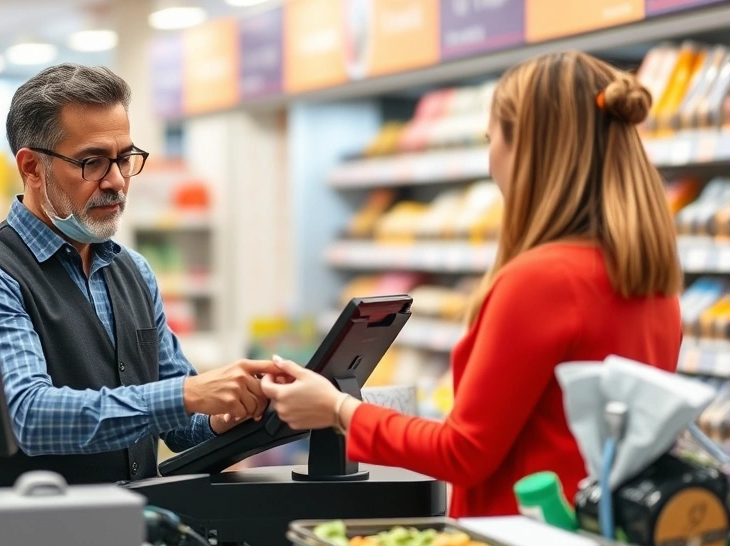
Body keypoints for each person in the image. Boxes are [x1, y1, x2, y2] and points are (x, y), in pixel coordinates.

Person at [260, 50, 683, 518]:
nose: (490, 158)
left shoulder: (541, 280)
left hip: (522, 540)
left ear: (527, 149)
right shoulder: (653, 283)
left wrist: (338, 410)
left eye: (490, 138)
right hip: (599, 533)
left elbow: (462, 452)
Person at [0, 63, 276, 489]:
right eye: (93, 162)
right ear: (31, 168)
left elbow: (180, 426)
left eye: (124, 159)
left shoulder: (133, 271)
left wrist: (224, 414)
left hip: (128, 522)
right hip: (22, 527)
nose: (116, 181)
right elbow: (28, 415)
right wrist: (187, 395)